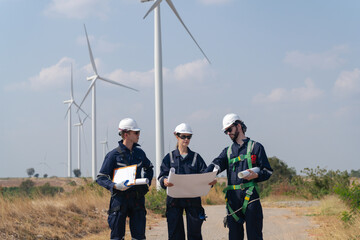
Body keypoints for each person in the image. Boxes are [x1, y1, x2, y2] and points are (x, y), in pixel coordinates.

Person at [206, 113, 273, 240]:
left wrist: (256, 175)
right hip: (233, 200)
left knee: (255, 236)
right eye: (225, 131)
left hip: (251, 198)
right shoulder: (227, 151)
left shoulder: (256, 147)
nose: (228, 133)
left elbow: (268, 171)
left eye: (229, 129)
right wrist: (207, 175)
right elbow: (216, 164)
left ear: (239, 126)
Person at [96, 117, 154, 240]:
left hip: (137, 199)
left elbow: (149, 168)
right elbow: (101, 178)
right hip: (120, 200)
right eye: (136, 133)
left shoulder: (140, 153)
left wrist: (146, 182)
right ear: (126, 134)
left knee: (139, 237)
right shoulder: (113, 155)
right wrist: (115, 186)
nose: (139, 135)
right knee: (117, 237)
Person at [158, 123, 208, 240]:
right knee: (175, 234)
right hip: (174, 201)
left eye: (188, 137)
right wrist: (164, 181)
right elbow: (161, 176)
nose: (186, 139)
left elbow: (205, 175)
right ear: (176, 136)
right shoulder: (169, 158)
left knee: (195, 234)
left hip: (193, 201)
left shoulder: (196, 158)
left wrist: (209, 181)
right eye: (183, 136)